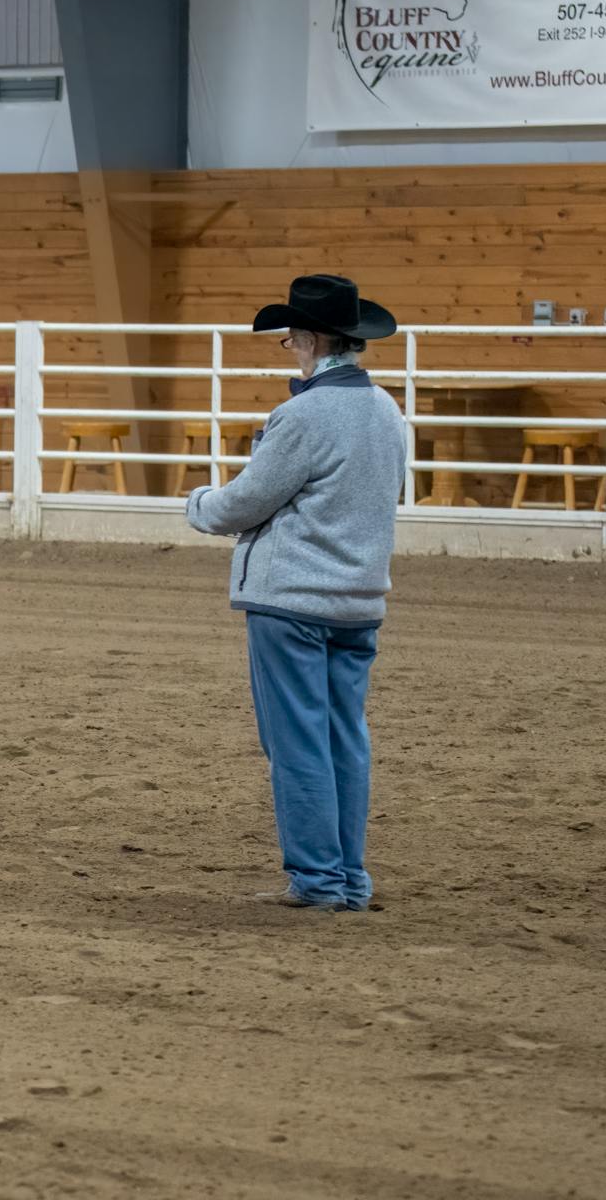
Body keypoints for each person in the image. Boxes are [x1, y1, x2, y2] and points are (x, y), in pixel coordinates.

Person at [185, 274, 407, 912]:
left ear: (309, 340)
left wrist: (198, 503)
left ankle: (318, 880)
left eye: (290, 341)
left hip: (292, 600)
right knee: (344, 737)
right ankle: (350, 878)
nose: (291, 350)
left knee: (297, 743)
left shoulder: (302, 414)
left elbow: (243, 503)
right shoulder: (387, 411)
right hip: (358, 599)